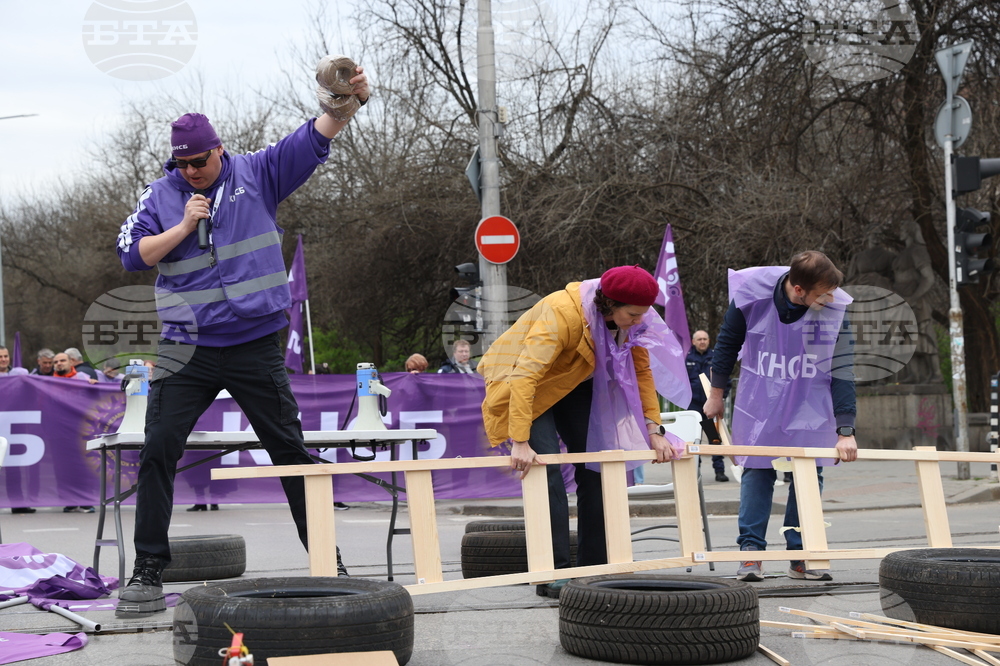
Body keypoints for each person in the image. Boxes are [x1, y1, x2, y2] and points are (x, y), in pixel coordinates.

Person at [113, 57, 369, 618]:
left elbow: (317, 135)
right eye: (182, 164)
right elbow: (131, 255)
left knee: (292, 452)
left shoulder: (259, 172)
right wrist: (180, 227)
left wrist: (343, 101)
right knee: (157, 451)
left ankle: (327, 559)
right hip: (187, 350)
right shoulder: (160, 195)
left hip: (254, 344)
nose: (192, 172)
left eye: (199, 161)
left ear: (219, 149)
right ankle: (147, 570)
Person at [479, 265, 690, 599]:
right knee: (544, 469)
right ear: (609, 305)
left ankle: (594, 568)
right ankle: (553, 572)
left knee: (598, 468)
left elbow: (642, 372)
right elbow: (525, 377)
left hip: (573, 379)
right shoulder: (561, 315)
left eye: (643, 315)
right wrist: (519, 441)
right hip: (523, 380)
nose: (639, 322)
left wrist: (654, 428)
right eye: (633, 315)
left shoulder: (633, 319)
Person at [704, 251, 858, 583]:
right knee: (757, 469)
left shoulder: (833, 308)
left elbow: (843, 368)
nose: (830, 299)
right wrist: (716, 396)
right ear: (799, 290)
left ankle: (802, 553)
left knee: (808, 473)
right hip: (762, 396)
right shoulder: (751, 296)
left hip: (810, 400)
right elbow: (727, 344)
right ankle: (751, 554)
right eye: (823, 294)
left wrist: (845, 428)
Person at [686, 330, 730, 482]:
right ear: (694, 342)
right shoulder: (686, 359)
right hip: (693, 406)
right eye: (699, 339)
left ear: (709, 341)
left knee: (714, 438)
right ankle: (693, 471)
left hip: (709, 406)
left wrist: (719, 398)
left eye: (705, 339)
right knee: (693, 440)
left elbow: (726, 381)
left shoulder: (715, 358)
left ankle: (719, 471)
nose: (702, 342)